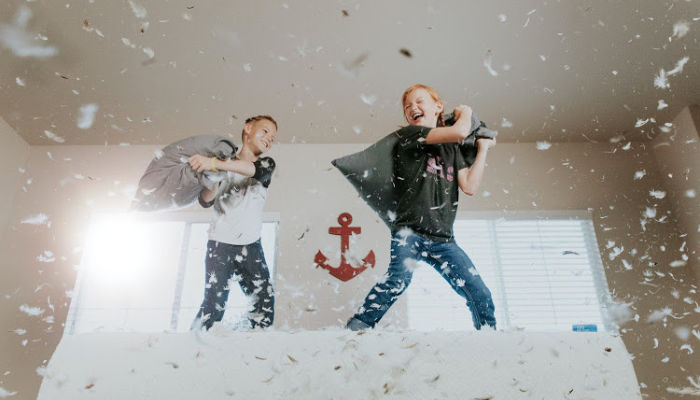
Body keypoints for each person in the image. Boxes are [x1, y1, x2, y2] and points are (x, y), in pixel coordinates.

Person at [346, 84, 497, 331]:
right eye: (407, 107)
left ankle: (491, 338)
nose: (412, 108)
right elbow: (460, 130)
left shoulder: (452, 149)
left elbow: (469, 186)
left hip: (443, 239)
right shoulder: (410, 135)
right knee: (397, 280)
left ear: (438, 107)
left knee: (479, 292)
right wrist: (466, 112)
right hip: (409, 232)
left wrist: (482, 149)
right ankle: (353, 332)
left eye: (419, 102)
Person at [188, 115, 278, 330]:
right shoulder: (221, 165)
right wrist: (215, 172)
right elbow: (205, 200)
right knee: (214, 304)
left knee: (264, 305)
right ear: (247, 128)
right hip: (220, 245)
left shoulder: (266, 163)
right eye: (265, 131)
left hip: (251, 246)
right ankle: (192, 346)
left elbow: (255, 171)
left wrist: (215, 163)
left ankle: (251, 348)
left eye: (273, 137)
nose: (269, 139)